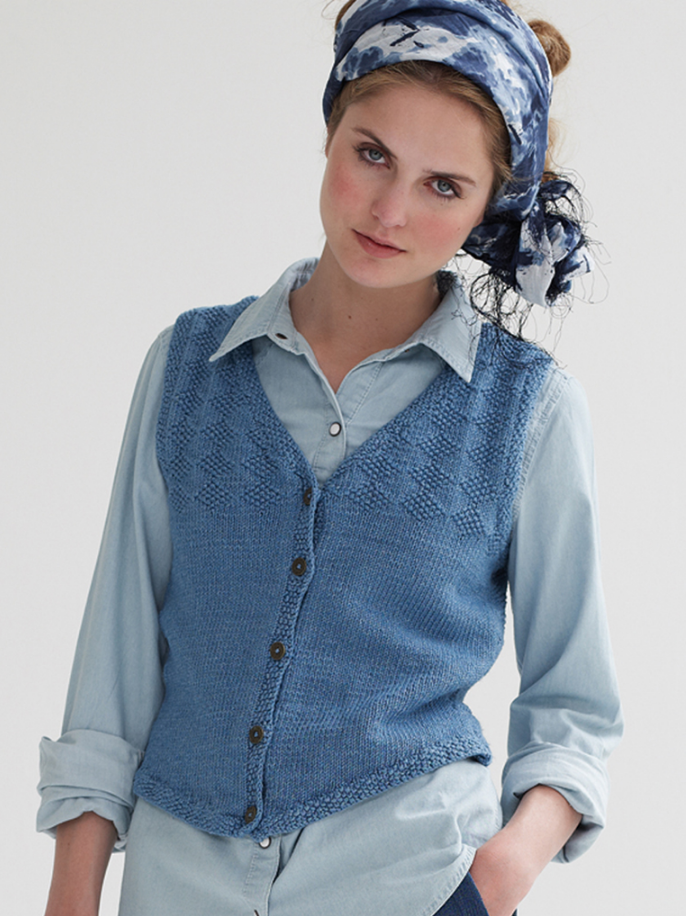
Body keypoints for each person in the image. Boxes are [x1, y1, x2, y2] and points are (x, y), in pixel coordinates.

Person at [37, 1, 622, 914]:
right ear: (330, 130)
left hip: (412, 881)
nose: (391, 211)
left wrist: (494, 881)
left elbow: (574, 709)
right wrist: (70, 898)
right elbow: (112, 664)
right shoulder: (190, 367)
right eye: (373, 154)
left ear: (486, 208)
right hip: (178, 882)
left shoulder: (529, 410)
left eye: (443, 186)